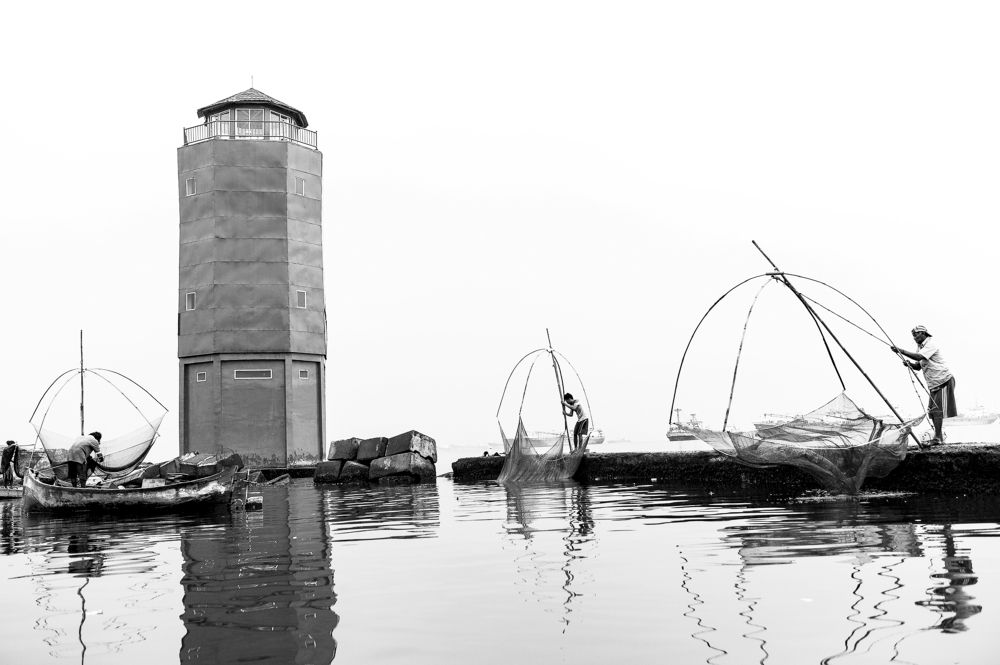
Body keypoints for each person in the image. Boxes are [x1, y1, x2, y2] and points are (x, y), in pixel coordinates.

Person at [891, 325, 956, 446]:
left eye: (916, 334)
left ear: (924, 333)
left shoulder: (930, 344)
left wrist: (901, 351)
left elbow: (919, 357)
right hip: (934, 383)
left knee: (937, 410)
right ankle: (939, 436)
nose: (914, 337)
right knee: (932, 411)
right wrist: (909, 364)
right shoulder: (920, 347)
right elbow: (918, 365)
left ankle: (937, 438)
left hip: (943, 380)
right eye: (913, 336)